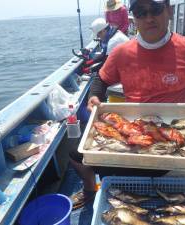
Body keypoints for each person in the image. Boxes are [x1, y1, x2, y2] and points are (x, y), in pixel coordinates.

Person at [70, 0, 185, 209]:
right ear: (134, 17)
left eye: (156, 10)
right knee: (76, 154)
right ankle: (90, 190)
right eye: (141, 12)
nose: (149, 18)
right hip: (134, 129)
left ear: (168, 11)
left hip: (171, 130)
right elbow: (101, 79)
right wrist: (95, 95)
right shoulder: (121, 52)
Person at [69, 17, 129, 210]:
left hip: (121, 94)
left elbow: (106, 64)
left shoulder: (115, 42)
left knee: (78, 154)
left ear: (103, 31)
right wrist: (95, 93)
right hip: (119, 96)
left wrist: (91, 65)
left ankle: (93, 190)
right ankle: (96, 189)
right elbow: (104, 72)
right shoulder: (115, 38)